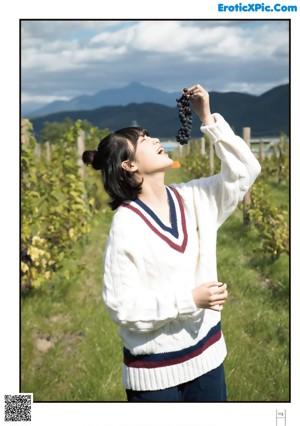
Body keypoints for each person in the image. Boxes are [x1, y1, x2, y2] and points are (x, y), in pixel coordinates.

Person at [82, 84, 261, 402]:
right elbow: (121, 306)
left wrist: (207, 118)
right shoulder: (127, 224)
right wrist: (190, 299)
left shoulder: (195, 196)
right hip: (154, 376)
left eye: (150, 134)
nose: (153, 139)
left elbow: (246, 171)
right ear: (129, 165)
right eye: (142, 139)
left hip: (208, 359)